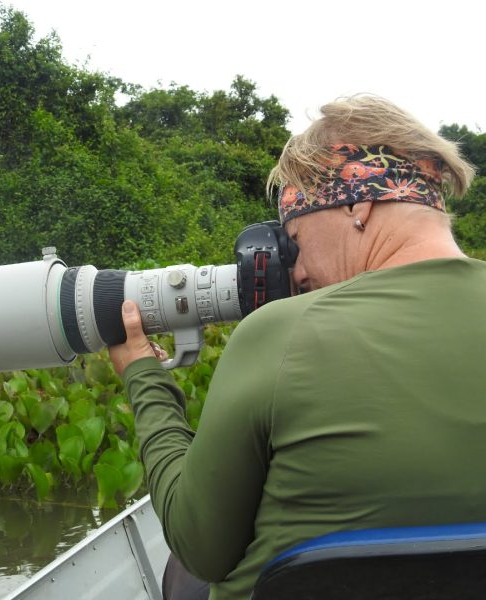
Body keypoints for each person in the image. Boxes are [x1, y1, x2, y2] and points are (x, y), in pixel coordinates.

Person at [109, 95, 486, 600]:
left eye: (295, 240)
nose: (299, 273)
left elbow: (200, 547)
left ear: (358, 204)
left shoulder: (277, 333)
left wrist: (143, 377)